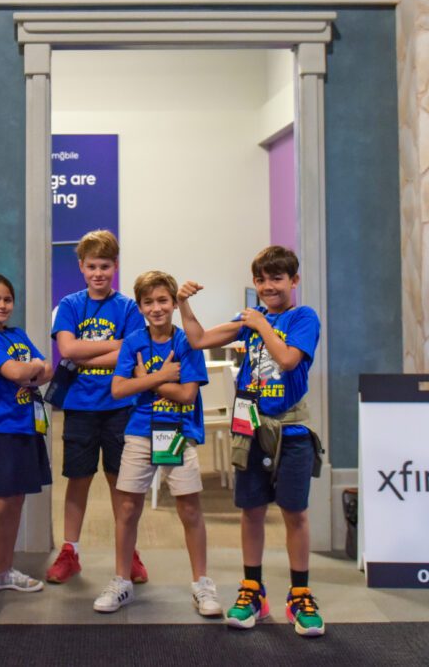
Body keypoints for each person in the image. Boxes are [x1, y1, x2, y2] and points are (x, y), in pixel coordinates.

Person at [178, 246, 325, 638]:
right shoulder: (250, 320)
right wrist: (182, 304)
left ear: (293, 281)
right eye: (261, 279)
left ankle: (300, 593)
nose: (267, 286)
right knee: (252, 510)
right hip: (251, 431)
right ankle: (252, 589)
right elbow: (199, 340)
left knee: (295, 512)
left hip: (291, 432)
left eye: (277, 278)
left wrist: (260, 324)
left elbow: (290, 359)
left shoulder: (302, 317)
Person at [92, 270, 221, 617]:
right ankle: (122, 580)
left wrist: (147, 381)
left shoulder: (186, 343)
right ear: (139, 306)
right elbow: (118, 389)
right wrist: (162, 376)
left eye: (163, 300)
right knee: (128, 508)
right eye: (148, 302)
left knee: (188, 507)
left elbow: (186, 394)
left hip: (175, 431)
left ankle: (201, 583)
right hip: (139, 432)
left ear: (173, 304)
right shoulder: (133, 341)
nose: (156, 308)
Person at [45, 230, 148, 586]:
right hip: (80, 405)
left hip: (121, 405)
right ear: (81, 267)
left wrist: (94, 352)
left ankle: (128, 551)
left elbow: (133, 353)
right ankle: (69, 551)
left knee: (122, 482)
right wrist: (115, 345)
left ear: (115, 267)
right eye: (92, 266)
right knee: (78, 480)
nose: (98, 273)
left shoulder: (129, 308)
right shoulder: (70, 305)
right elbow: (68, 351)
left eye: (105, 266)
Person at [0, 274, 54, 620]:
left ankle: (3, 572)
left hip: (25, 428)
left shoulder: (16, 335)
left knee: (16, 500)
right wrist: (30, 370)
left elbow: (47, 368)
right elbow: (18, 371)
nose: (2, 305)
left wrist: (29, 370)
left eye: (7, 299)